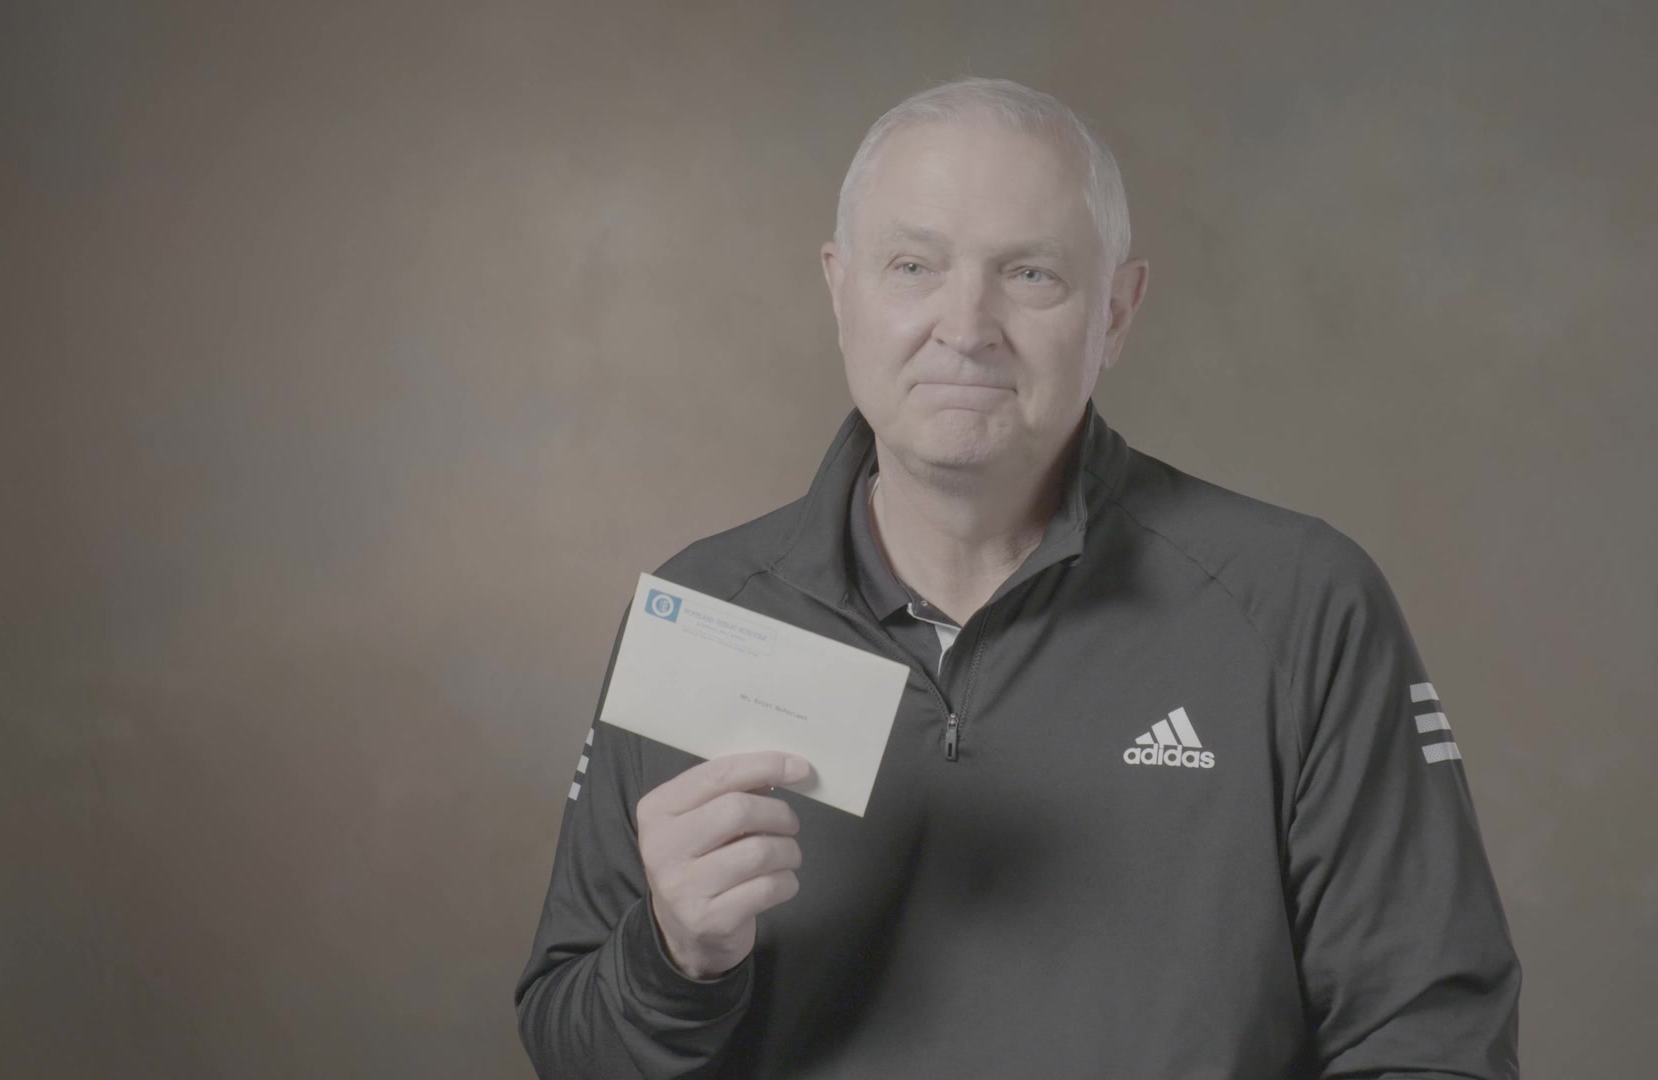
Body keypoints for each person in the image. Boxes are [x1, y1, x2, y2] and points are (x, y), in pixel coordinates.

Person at [514, 75, 1521, 1079]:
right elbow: (570, 1043)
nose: (966, 326)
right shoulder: (705, 617)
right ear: (839, 288)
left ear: (1118, 310)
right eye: (913, 265)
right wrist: (672, 960)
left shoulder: (1299, 607)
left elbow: (1432, 1040)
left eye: (1031, 275)